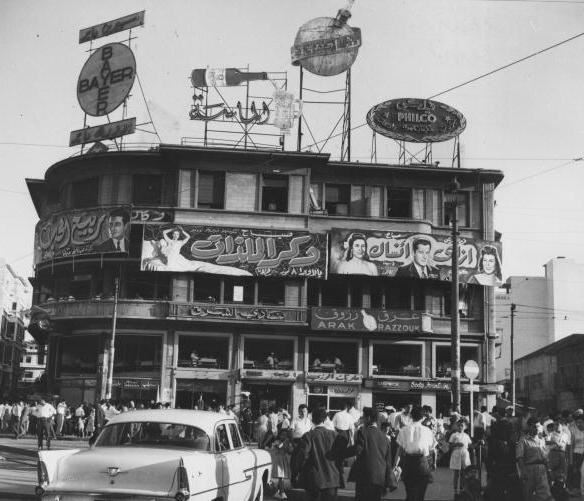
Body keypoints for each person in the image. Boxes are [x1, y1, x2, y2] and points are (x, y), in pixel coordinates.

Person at [291, 406, 348, 501]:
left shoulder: (308, 436)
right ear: (326, 419)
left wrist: (294, 474)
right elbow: (341, 457)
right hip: (332, 479)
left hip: (314, 480)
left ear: (312, 419)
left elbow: (301, 456)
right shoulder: (335, 435)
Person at [347, 407, 396, 501]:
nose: (362, 420)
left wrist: (341, 453)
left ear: (368, 418)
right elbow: (388, 461)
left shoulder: (363, 432)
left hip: (364, 475)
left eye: (363, 417)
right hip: (379, 478)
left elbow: (357, 449)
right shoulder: (385, 437)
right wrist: (388, 480)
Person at [395, 405, 435, 501]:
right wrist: (433, 463)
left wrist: (395, 465)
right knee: (420, 496)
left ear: (411, 416)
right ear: (422, 417)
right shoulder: (427, 431)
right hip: (422, 462)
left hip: (408, 462)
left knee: (410, 494)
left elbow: (399, 450)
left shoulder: (404, 430)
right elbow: (431, 449)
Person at [516, 416, 553, 501]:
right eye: (534, 426)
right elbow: (520, 457)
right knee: (528, 494)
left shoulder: (542, 440)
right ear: (529, 427)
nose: (536, 429)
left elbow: (545, 457)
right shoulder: (523, 440)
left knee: (545, 495)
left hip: (542, 469)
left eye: (538, 426)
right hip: (529, 469)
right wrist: (523, 471)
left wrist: (549, 470)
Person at [449, 419, 473, 495]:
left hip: (464, 453)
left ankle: (462, 489)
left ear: (465, 427)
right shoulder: (454, 435)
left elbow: (470, 445)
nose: (460, 427)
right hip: (456, 453)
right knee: (457, 473)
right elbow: (450, 445)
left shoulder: (466, 435)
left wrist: (478, 443)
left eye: (462, 425)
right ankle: (455, 490)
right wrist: (456, 444)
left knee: (463, 473)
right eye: (458, 425)